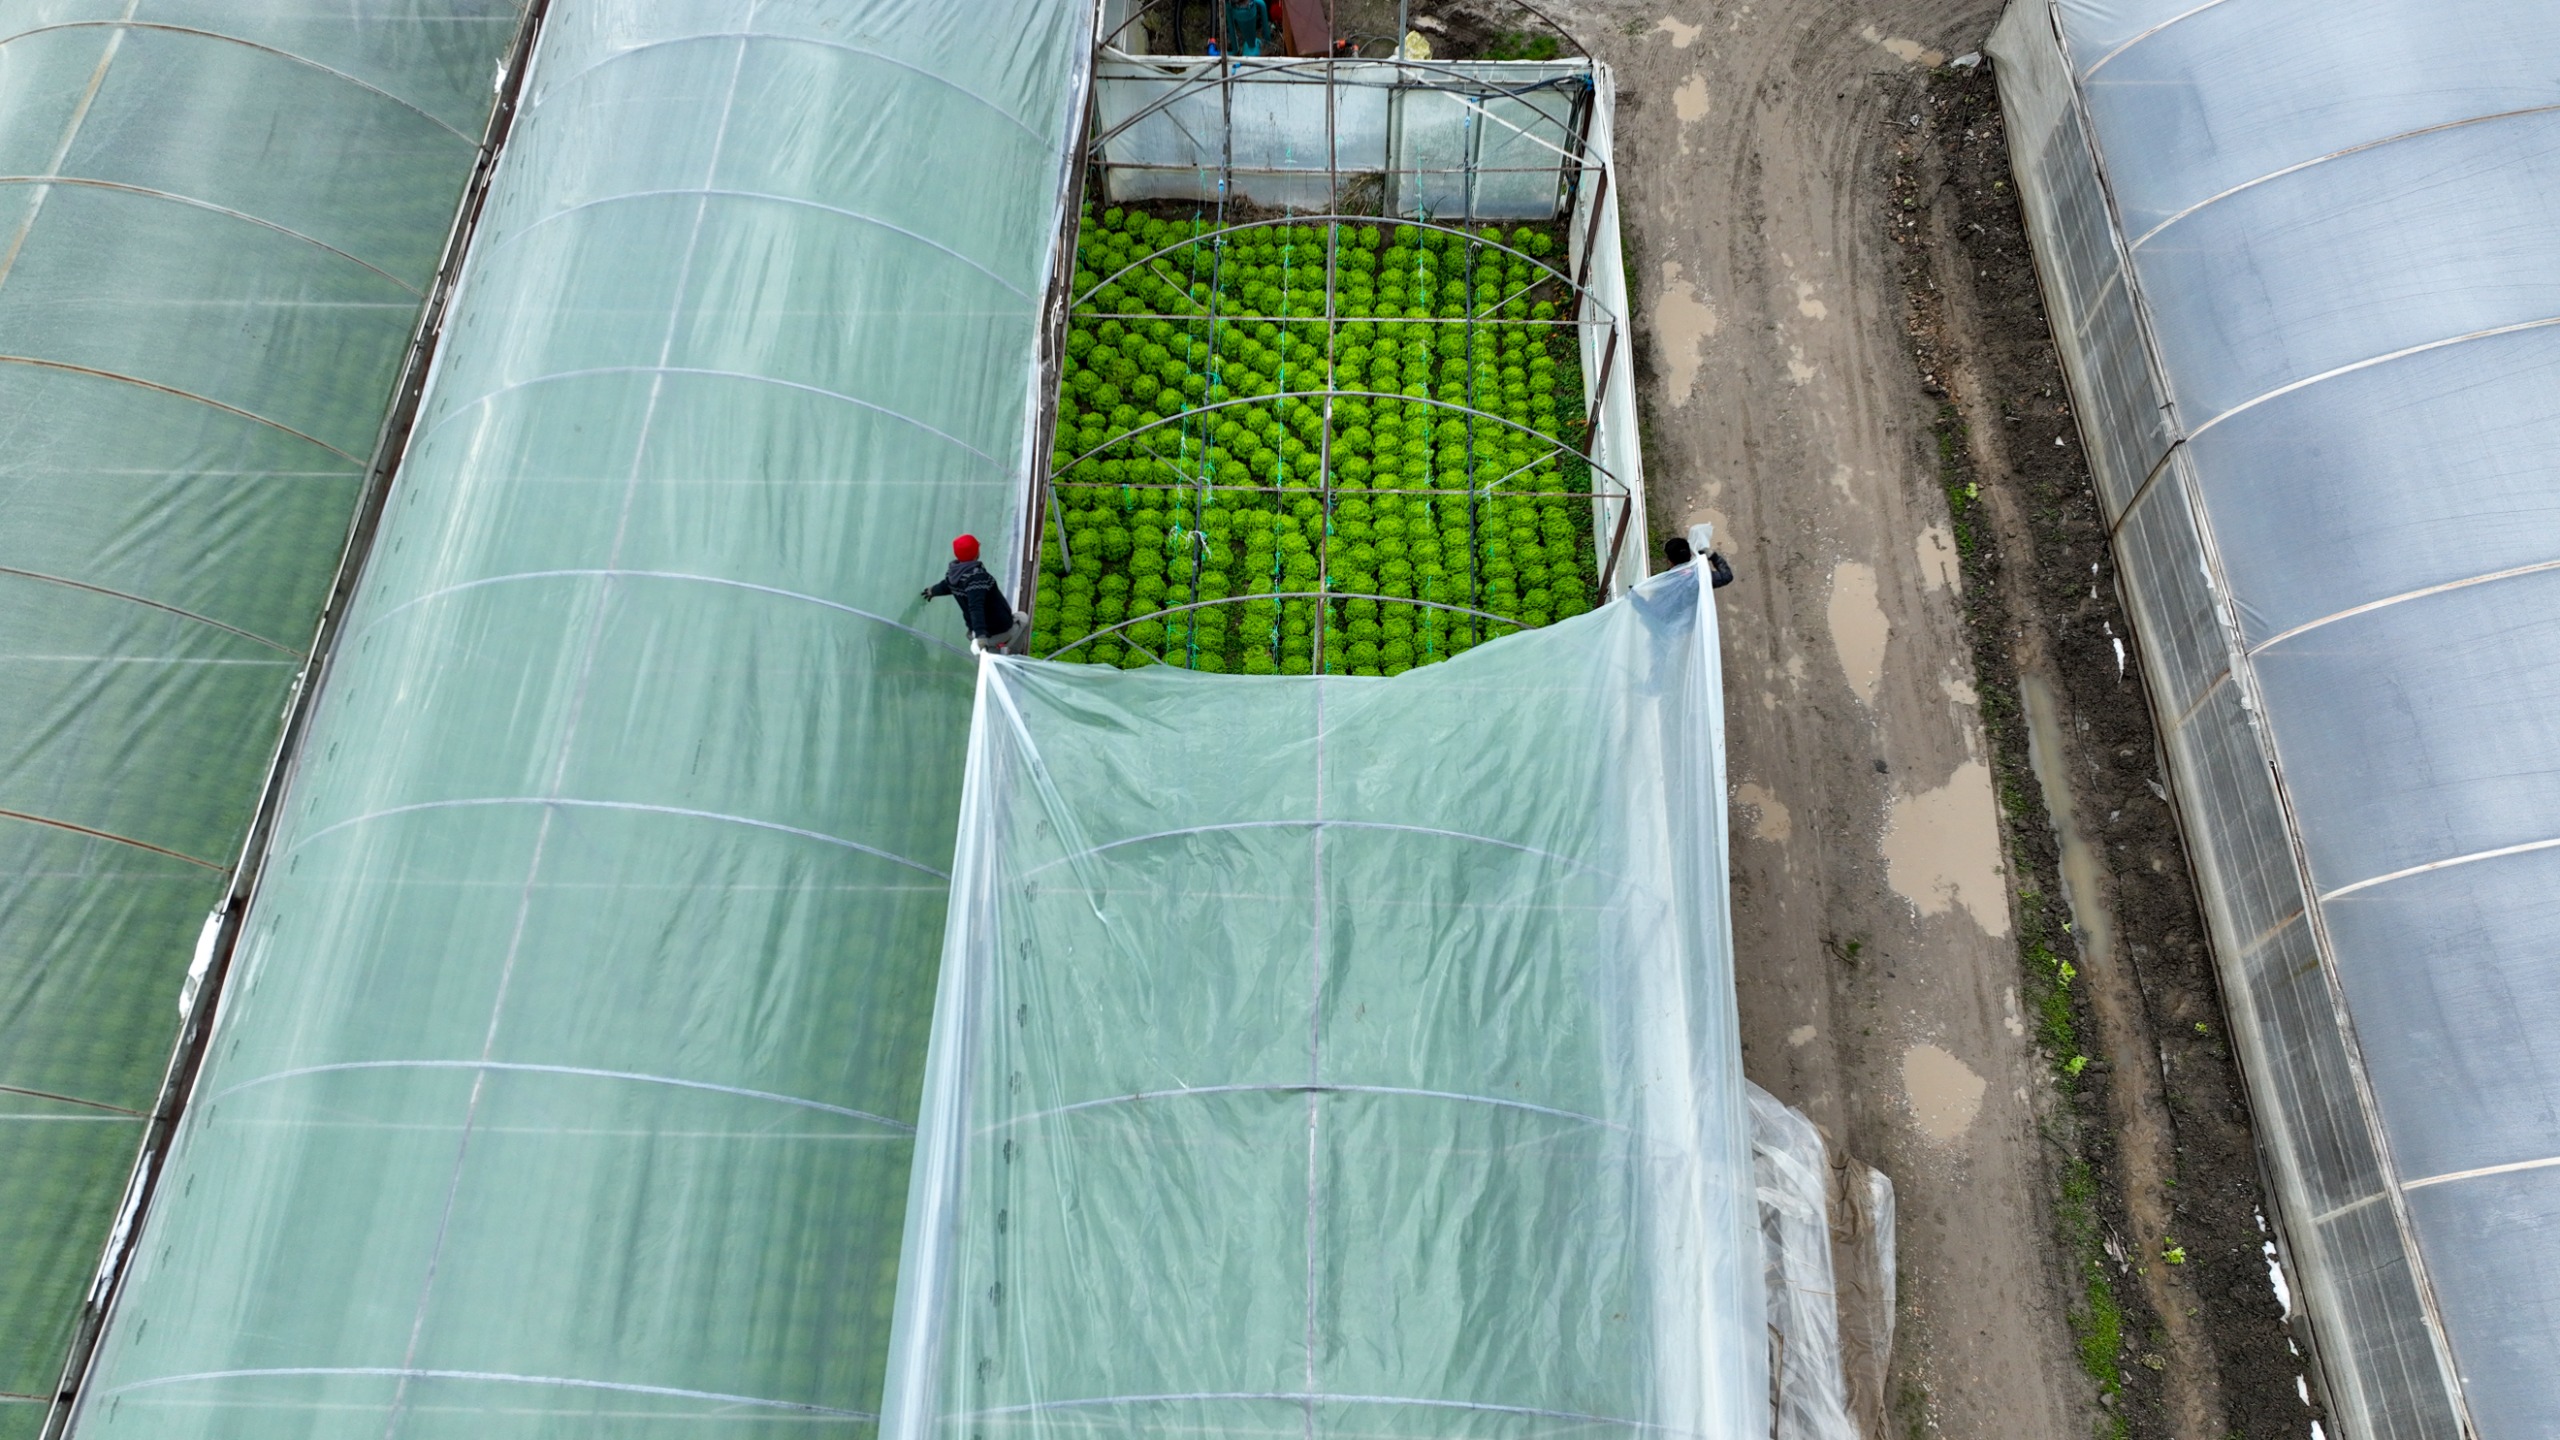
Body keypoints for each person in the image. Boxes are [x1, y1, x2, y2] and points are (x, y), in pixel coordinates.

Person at [924, 534, 1028, 653]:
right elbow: (975, 607)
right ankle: (1014, 654)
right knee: (1023, 618)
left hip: (977, 629)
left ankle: (993, 648)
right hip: (997, 629)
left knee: (992, 652)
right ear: (976, 554)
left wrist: (932, 591)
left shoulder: (954, 574)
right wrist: (981, 637)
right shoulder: (977, 578)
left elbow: (945, 586)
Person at [1663, 534, 1734, 589]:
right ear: (1690, 554)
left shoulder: (1666, 580)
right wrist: (1714, 557)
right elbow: (1727, 576)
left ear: (1670, 561)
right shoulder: (1699, 576)